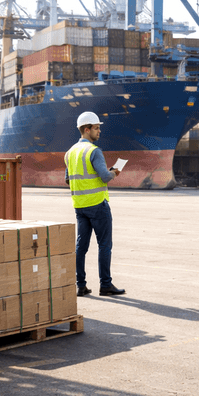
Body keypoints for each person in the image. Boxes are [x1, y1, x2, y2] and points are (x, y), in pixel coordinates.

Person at [65, 111, 125, 297]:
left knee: (81, 247)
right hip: (98, 205)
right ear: (86, 129)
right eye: (97, 128)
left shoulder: (69, 153)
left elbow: (68, 179)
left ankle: (80, 285)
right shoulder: (94, 151)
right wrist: (114, 172)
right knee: (104, 245)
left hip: (80, 206)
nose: (99, 131)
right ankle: (105, 285)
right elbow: (105, 177)